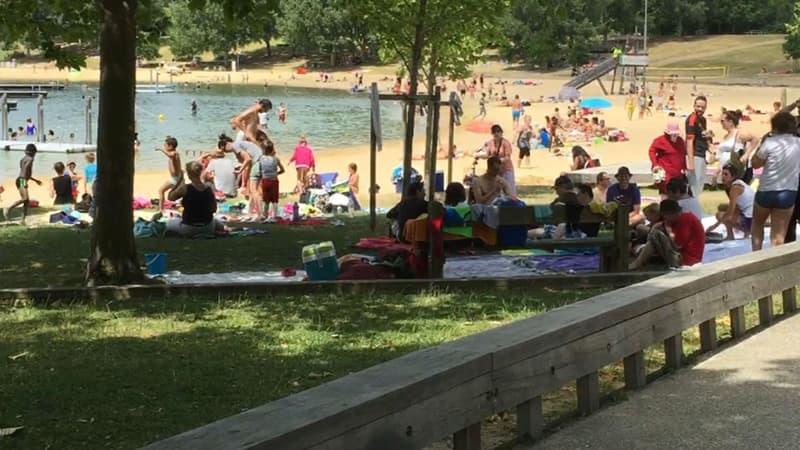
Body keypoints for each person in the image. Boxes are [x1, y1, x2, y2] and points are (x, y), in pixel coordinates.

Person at [750, 112, 800, 251]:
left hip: (766, 189)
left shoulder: (770, 142)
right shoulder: (798, 143)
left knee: (757, 226)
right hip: (788, 191)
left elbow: (755, 164)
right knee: (778, 236)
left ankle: (755, 256)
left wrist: (761, 145)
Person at [628, 199, 705, 270]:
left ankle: (637, 263)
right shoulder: (679, 218)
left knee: (656, 234)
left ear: (671, 213)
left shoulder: (685, 219)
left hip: (686, 260)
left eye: (666, 216)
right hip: (680, 256)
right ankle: (638, 262)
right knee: (655, 235)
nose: (665, 219)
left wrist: (667, 229)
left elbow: (678, 245)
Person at [166, 161, 226, 237]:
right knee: (216, 221)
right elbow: (214, 209)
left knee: (169, 223)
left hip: (189, 228)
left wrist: (179, 180)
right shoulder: (208, 189)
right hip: (208, 227)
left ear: (188, 174)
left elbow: (170, 197)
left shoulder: (185, 188)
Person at [705, 164, 754, 240]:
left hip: (750, 219)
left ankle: (744, 232)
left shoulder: (735, 188)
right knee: (721, 207)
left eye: (726, 174)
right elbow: (737, 207)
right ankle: (732, 234)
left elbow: (729, 213)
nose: (723, 176)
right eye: (722, 174)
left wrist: (714, 226)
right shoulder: (734, 185)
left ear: (733, 177)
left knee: (720, 215)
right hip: (750, 213)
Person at [714, 109, 759, 182]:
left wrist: (746, 155)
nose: (721, 123)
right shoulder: (726, 136)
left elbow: (755, 139)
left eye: (723, 121)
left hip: (739, 171)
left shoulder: (739, 133)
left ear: (730, 122)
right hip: (727, 172)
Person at [4, 144, 42, 225]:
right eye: (35, 153)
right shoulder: (31, 159)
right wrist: (24, 180)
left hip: (20, 179)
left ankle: (23, 220)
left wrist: (35, 180)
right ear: (33, 152)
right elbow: (25, 171)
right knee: (25, 199)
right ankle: (8, 209)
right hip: (22, 180)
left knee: (26, 201)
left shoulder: (23, 159)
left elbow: (24, 172)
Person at [649, 121, 686, 196]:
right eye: (672, 134)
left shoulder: (680, 141)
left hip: (678, 174)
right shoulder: (660, 140)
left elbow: (683, 155)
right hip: (665, 174)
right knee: (665, 194)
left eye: (676, 133)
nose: (674, 135)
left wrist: (685, 167)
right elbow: (651, 151)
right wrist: (655, 164)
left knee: (678, 194)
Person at [686, 96, 712, 197]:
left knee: (700, 183)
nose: (700, 109)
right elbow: (689, 141)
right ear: (694, 106)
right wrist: (691, 163)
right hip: (695, 155)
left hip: (702, 155)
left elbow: (703, 136)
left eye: (702, 107)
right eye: (698, 106)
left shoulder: (703, 120)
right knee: (694, 185)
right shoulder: (692, 120)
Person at [259, 140, 285, 222]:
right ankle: (274, 215)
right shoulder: (276, 159)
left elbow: (260, 170)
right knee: (274, 200)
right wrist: (276, 173)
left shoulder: (261, 159)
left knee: (265, 199)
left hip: (265, 180)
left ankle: (265, 214)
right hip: (274, 180)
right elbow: (283, 170)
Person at [486, 124, 516, 195]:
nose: (496, 133)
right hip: (495, 171)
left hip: (506, 169)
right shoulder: (490, 143)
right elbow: (488, 155)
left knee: (509, 189)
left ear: (501, 133)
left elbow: (507, 157)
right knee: (497, 191)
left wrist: (498, 161)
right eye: (494, 132)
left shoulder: (506, 143)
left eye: (498, 131)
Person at [156, 136, 183, 212]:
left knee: (161, 190)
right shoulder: (175, 153)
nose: (164, 147)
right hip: (177, 176)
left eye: (165, 145)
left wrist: (161, 149)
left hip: (174, 178)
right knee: (173, 194)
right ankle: (178, 203)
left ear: (170, 146)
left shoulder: (174, 153)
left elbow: (171, 155)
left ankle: (161, 209)